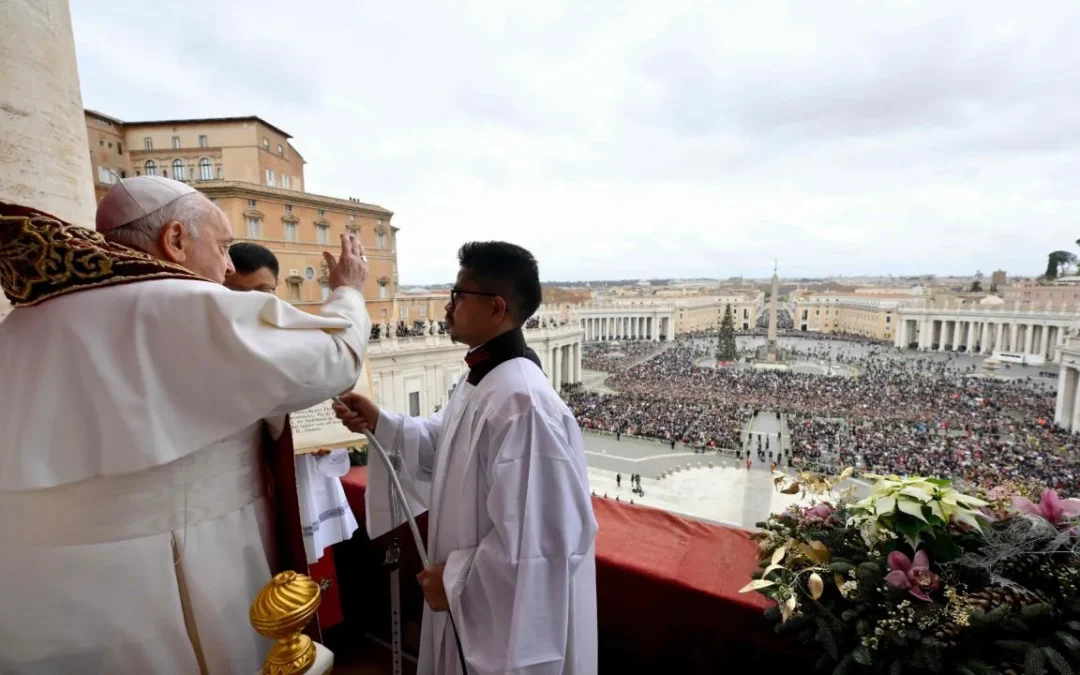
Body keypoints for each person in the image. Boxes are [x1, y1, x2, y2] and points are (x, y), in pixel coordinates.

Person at [0, 176, 371, 674]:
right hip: (168, 569)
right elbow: (335, 357)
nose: (227, 266)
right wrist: (347, 291)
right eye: (220, 246)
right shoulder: (178, 301)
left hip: (40, 586)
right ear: (174, 240)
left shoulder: (24, 321)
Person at [334, 241, 597, 674]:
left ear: (496, 308)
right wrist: (382, 422)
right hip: (460, 597)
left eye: (458, 296)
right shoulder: (483, 379)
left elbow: (542, 540)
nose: (447, 307)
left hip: (498, 623)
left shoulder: (524, 403)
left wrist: (457, 581)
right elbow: (446, 446)